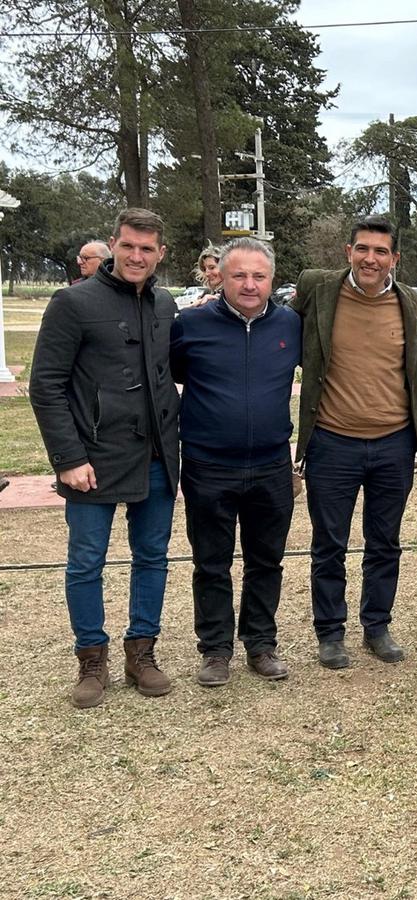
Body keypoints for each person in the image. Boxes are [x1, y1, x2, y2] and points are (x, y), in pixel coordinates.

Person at [29, 208, 180, 708]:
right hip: (91, 459)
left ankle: (143, 651)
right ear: (113, 245)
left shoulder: (164, 304)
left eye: (147, 248)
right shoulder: (72, 303)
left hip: (156, 455)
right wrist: (67, 457)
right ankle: (91, 658)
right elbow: (46, 386)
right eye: (129, 246)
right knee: (85, 562)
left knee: (153, 558)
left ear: (160, 253)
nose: (137, 256)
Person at [291, 216, 417, 669]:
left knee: (384, 541)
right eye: (363, 249)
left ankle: (377, 626)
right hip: (332, 441)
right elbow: (283, 335)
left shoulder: (410, 301)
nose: (370, 258)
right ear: (348, 252)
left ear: (395, 258)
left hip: (394, 443)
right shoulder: (318, 289)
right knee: (328, 543)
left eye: (380, 251)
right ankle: (330, 632)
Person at [170, 237, 301, 686]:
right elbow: (173, 373)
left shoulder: (290, 325)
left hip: (271, 464)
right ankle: (215, 649)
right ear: (219, 277)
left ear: (271, 280)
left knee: (267, 560)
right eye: (239, 275)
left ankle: (261, 644)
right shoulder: (188, 325)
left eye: (258, 276)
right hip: (209, 464)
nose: (249, 284)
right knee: (211, 562)